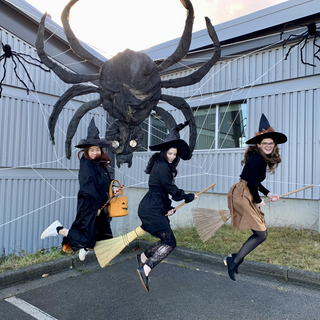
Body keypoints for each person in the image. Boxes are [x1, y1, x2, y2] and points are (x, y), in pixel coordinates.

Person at [41, 118, 119, 261]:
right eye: (92, 150)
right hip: (89, 203)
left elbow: (104, 182)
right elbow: (88, 189)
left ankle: (86, 248)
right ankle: (59, 229)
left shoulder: (99, 164)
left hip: (99, 204)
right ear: (86, 151)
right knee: (85, 235)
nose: (95, 152)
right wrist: (94, 208)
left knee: (104, 234)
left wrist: (113, 188)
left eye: (97, 149)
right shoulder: (87, 166)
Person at [136, 121, 198, 292]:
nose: (172, 156)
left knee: (165, 240)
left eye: (174, 154)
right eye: (170, 153)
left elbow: (162, 192)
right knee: (170, 243)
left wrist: (167, 208)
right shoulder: (163, 167)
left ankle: (142, 257)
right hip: (152, 209)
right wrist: (188, 196)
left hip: (152, 207)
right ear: (164, 152)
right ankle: (145, 269)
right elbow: (171, 190)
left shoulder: (161, 165)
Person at [225, 113, 287, 281]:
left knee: (261, 234)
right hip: (243, 193)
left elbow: (256, 182)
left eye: (271, 143)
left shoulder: (260, 158)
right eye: (265, 143)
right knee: (261, 234)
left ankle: (235, 259)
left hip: (244, 191)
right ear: (258, 144)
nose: (268, 146)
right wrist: (259, 201)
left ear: (274, 145)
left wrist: (268, 194)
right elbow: (252, 184)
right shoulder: (258, 159)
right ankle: (234, 260)